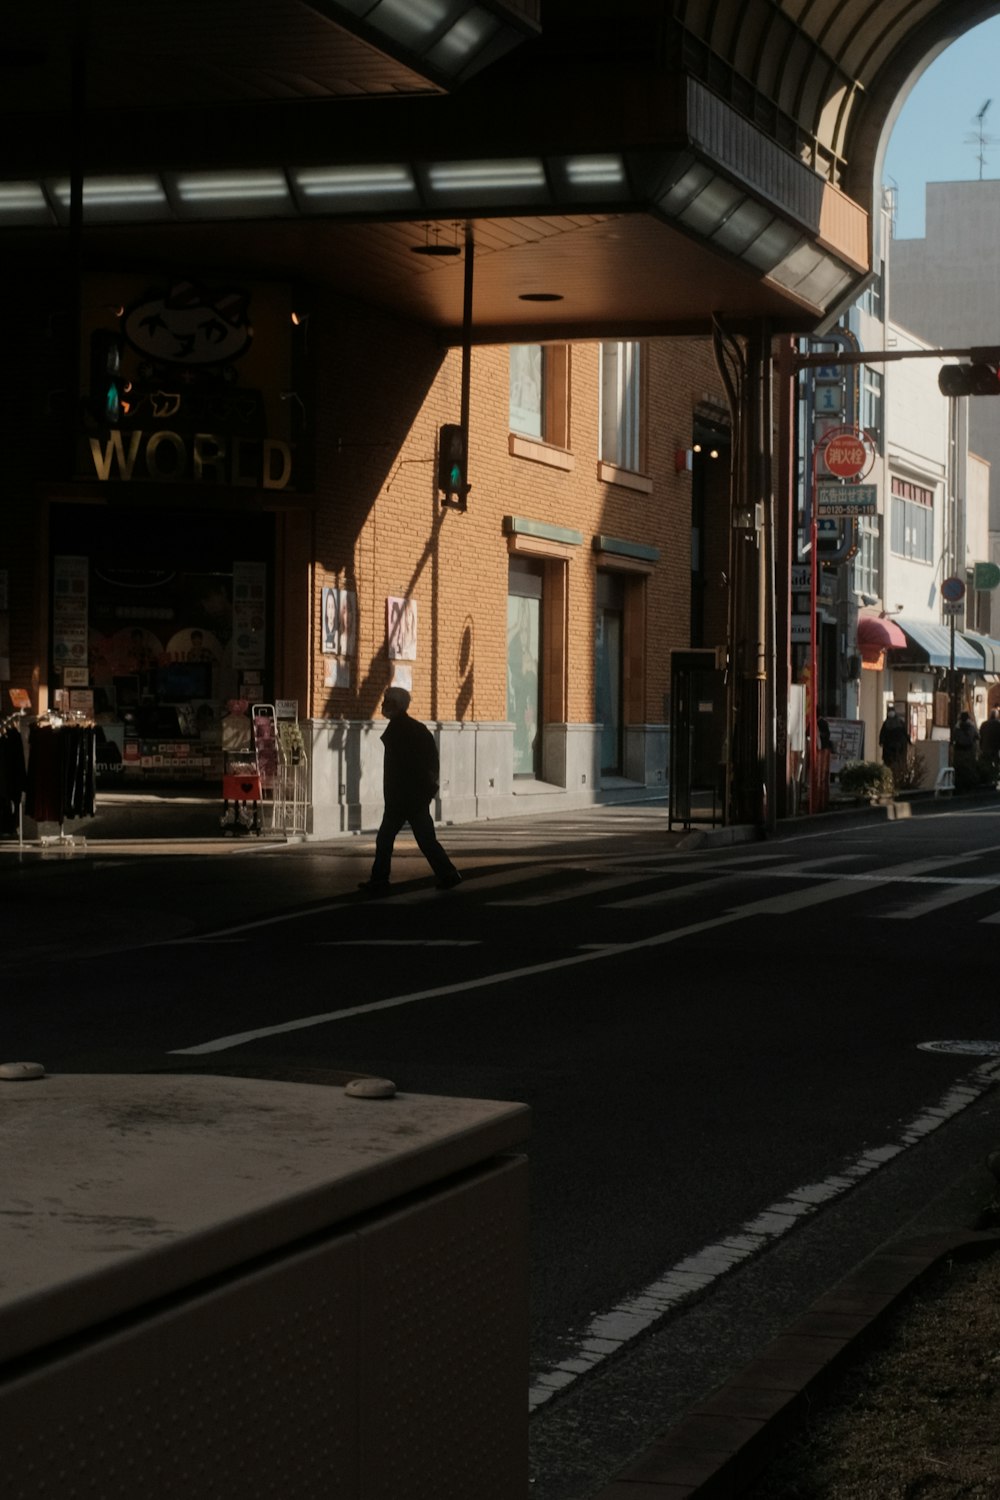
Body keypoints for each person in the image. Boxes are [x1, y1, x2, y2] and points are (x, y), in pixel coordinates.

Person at [359, 686, 462, 893]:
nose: (382, 706)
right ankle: (448, 874)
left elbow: (403, 768)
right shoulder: (416, 729)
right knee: (425, 839)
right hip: (414, 797)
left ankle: (380, 879)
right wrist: (427, 790)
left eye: (386, 702)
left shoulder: (400, 730)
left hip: (403, 798)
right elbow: (430, 763)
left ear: (395, 706)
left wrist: (405, 794)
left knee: (386, 838)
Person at [878, 707, 909, 780]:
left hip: (890, 748)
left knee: (890, 764)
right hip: (897, 748)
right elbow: (905, 733)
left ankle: (891, 778)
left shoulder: (886, 723)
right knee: (896, 764)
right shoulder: (900, 722)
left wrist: (881, 741)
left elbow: (882, 734)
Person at [952, 710, 980, 788]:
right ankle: (969, 785)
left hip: (959, 751)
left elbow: (954, 738)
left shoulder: (957, 727)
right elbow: (978, 736)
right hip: (969, 750)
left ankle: (959, 785)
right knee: (969, 768)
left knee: (959, 769)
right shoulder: (972, 727)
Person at [979, 707, 1000, 778]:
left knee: (986, 763)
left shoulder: (984, 724)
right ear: (996, 715)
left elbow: (980, 736)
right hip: (995, 748)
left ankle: (988, 777)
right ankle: (995, 777)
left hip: (985, 747)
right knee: (996, 763)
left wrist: (981, 746)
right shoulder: (998, 724)